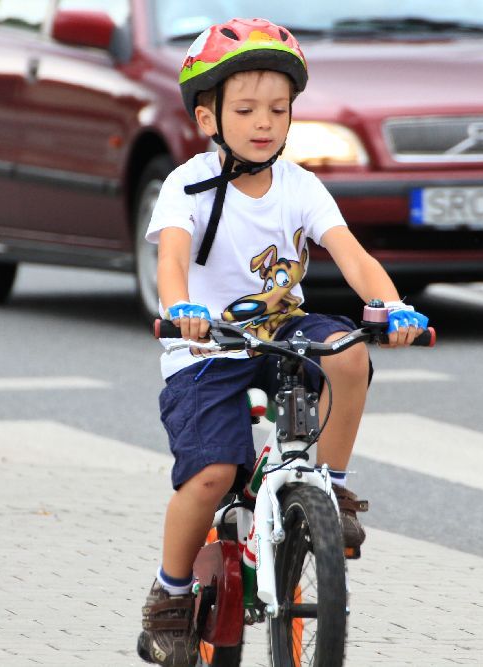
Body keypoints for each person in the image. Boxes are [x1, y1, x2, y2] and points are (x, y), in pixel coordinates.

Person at [137, 18, 429, 667]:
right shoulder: (186, 184)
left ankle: (335, 489)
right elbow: (172, 259)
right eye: (245, 110)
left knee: (348, 350)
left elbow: (352, 256)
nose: (264, 122)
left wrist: (393, 306)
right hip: (207, 347)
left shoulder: (299, 184)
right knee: (212, 474)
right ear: (208, 118)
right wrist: (180, 308)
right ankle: (169, 596)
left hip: (280, 333)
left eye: (278, 108)